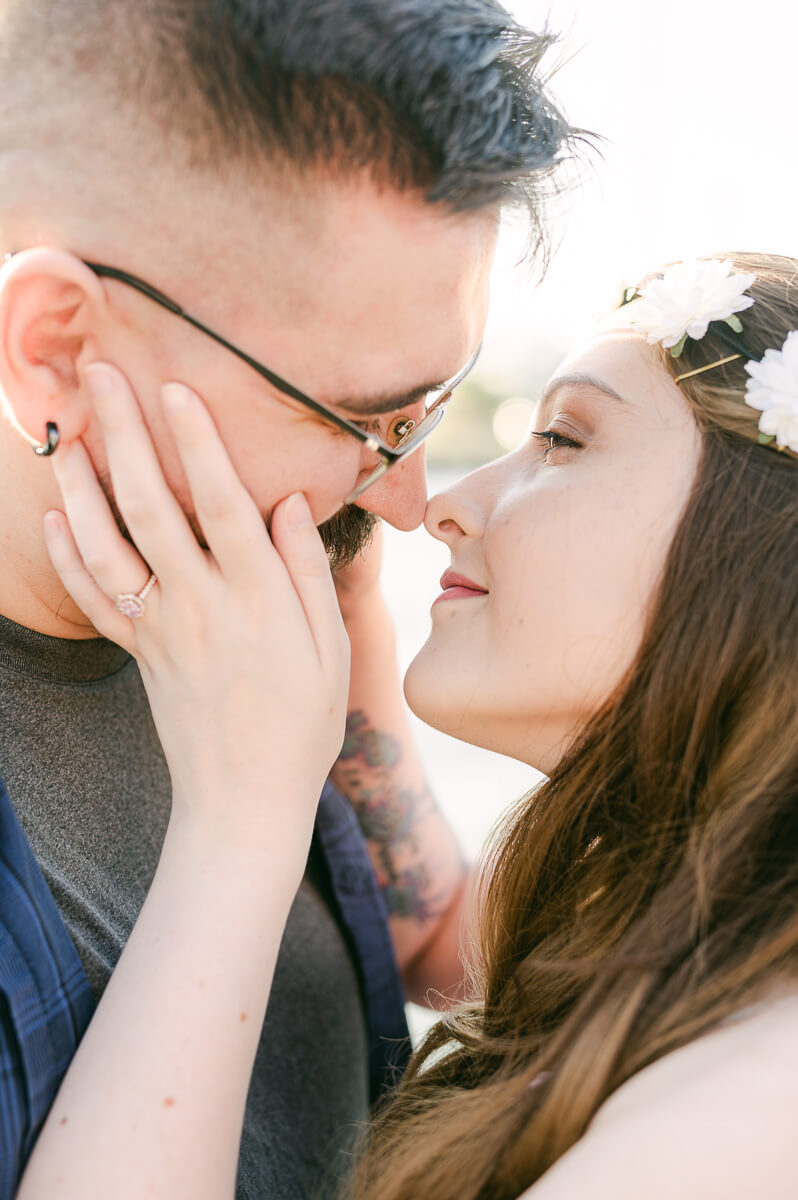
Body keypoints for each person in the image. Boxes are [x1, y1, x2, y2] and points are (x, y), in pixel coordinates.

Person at [32, 249, 798, 1200]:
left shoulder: (743, 1121)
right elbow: (434, 928)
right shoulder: (703, 918)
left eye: (561, 439)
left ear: (759, 556)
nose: (437, 503)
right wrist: (348, 615)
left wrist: (243, 815)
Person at [0, 1, 581, 1196]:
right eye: (369, 418)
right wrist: (240, 823)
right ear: (54, 348)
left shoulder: (305, 573)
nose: (415, 496)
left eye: (432, 408)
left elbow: (421, 930)